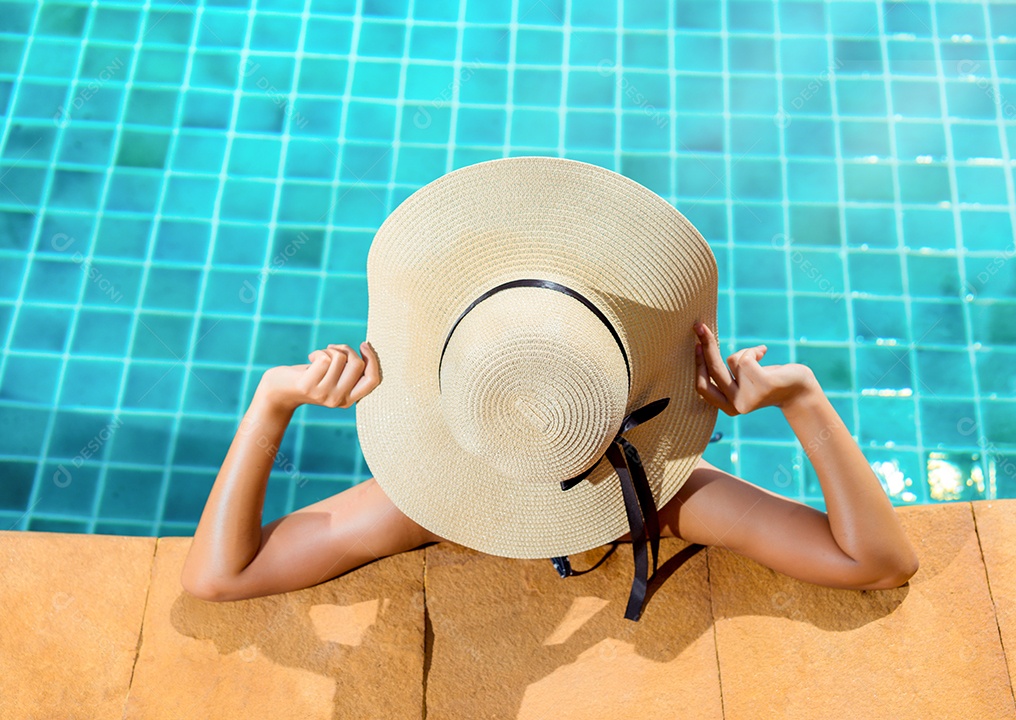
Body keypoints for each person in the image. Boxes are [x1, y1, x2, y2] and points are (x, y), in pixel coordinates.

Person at [181, 158, 919, 615]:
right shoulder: (662, 502)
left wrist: (271, 402)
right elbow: (879, 564)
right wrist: (802, 400)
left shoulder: (430, 509)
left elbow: (219, 575)